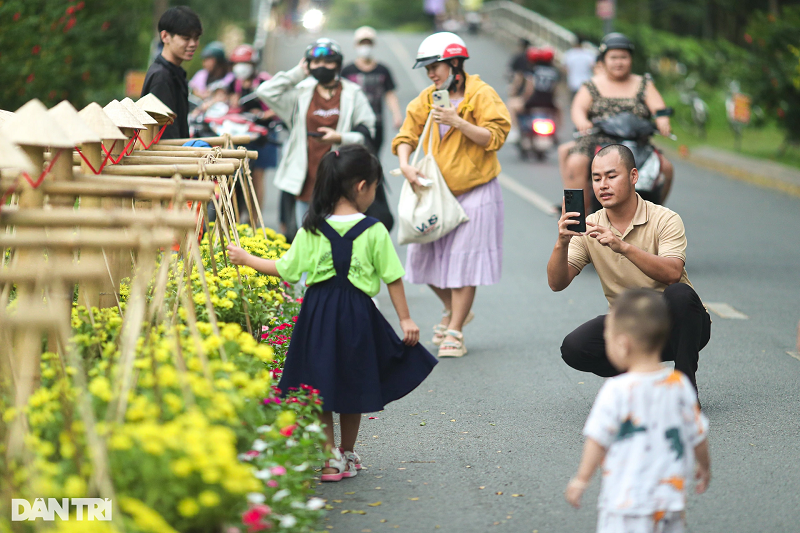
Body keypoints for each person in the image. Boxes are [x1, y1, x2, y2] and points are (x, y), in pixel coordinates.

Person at [226, 145, 437, 482]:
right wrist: (405, 319)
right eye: (375, 187)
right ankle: (347, 453)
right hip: (357, 314)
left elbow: (286, 269)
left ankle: (330, 458)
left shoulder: (312, 226)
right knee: (352, 381)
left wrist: (247, 259)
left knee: (320, 384)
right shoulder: (373, 229)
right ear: (360, 187)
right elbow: (392, 277)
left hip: (318, 315)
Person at [547, 144, 711, 392]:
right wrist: (561, 242)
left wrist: (622, 246)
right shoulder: (590, 225)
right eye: (596, 178)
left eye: (612, 176)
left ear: (634, 176)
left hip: (679, 325)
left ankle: (685, 389)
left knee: (681, 294)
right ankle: (641, 378)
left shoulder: (665, 219)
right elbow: (557, 283)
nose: (603, 185)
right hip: (629, 327)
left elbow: (672, 273)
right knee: (574, 347)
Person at [393, 32, 511, 358]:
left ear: (455, 63)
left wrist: (457, 121)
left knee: (463, 262)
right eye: (427, 68)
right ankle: (454, 309)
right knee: (421, 257)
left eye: (436, 66)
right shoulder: (429, 96)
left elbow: (495, 137)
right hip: (437, 193)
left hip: (477, 191)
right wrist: (405, 164)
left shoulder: (481, 93)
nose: (431, 74)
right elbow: (407, 133)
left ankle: (455, 329)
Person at [565, 289, 711, 533]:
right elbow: (698, 435)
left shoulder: (615, 390)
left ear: (622, 345)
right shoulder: (680, 385)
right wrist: (705, 467)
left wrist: (582, 479)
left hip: (625, 503)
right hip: (669, 502)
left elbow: (597, 439)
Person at [257, 37, 375, 237]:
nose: (322, 66)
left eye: (328, 61)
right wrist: (298, 73)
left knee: (341, 236)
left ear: (337, 64)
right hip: (307, 176)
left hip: (340, 175)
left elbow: (367, 132)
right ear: (308, 64)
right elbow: (265, 91)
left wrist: (339, 138)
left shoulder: (352, 93)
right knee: (308, 235)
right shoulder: (301, 93)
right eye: (316, 62)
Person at [562, 32, 675, 212]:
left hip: (637, 142)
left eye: (624, 57)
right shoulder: (592, 84)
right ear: (604, 60)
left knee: (666, 168)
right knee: (576, 163)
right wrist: (582, 122)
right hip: (597, 140)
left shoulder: (643, 83)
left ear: (631, 59)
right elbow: (578, 109)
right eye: (613, 57)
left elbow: (659, 108)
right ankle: (577, 218)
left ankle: (655, 215)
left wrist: (662, 120)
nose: (619, 62)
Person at [228, 44, 277, 216]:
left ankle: (255, 219)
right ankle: (236, 217)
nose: (240, 67)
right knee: (236, 176)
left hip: (264, 136)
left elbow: (280, 105)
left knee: (256, 177)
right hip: (241, 134)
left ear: (254, 64)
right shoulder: (234, 82)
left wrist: (264, 114)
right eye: (237, 63)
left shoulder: (265, 81)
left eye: (245, 63)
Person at [141, 6, 203, 140]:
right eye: (186, 38)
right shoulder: (161, 77)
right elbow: (166, 136)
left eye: (196, 38)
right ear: (165, 36)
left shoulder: (175, 73)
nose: (193, 44)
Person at [341, 26, 403, 154]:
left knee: (374, 156)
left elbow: (390, 94)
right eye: (362, 43)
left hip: (376, 122)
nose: (365, 46)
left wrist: (396, 115)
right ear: (356, 45)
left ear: (373, 44)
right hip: (354, 122)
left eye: (368, 43)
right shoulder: (347, 71)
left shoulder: (382, 70)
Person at [505, 38, 531, 144]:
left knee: (511, 105)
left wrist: (514, 89)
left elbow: (518, 76)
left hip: (525, 96)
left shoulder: (519, 57)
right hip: (547, 101)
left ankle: (514, 130)